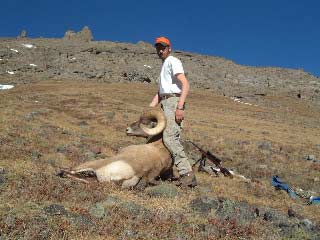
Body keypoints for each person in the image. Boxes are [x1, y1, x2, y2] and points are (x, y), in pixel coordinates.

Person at [149, 36, 197, 188]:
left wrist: (180, 107)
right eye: (158, 47)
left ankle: (187, 174)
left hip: (173, 103)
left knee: (170, 138)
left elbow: (185, 84)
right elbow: (160, 92)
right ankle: (160, 172)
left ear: (169, 48)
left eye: (163, 47)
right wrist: (149, 109)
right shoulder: (164, 66)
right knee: (155, 138)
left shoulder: (172, 61)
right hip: (165, 103)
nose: (160, 50)